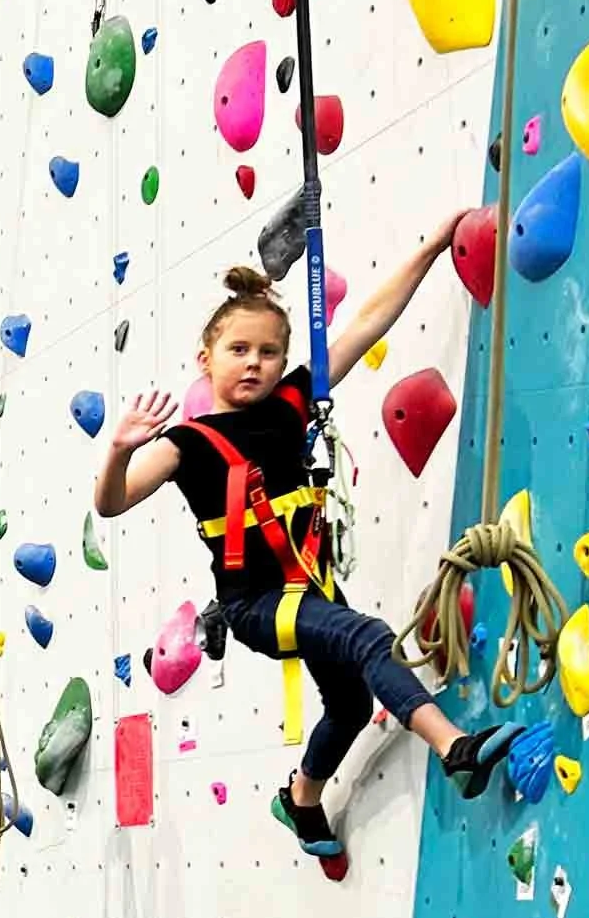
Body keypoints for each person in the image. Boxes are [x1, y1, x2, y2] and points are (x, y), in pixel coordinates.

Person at [94, 231, 523, 857]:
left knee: (349, 704)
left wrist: (430, 247)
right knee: (369, 636)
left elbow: (369, 320)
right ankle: (453, 747)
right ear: (205, 357)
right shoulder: (186, 443)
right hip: (255, 606)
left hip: (311, 587)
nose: (254, 363)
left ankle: (300, 798)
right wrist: (118, 448)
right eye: (238, 349)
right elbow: (111, 501)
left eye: (269, 352)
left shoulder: (295, 401)